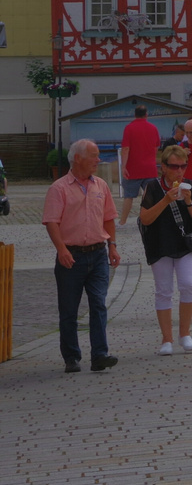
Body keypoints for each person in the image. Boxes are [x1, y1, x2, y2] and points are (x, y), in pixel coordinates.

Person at [42, 139, 121, 372]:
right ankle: (71, 357)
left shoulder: (101, 186)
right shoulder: (59, 188)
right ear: (78, 158)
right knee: (69, 310)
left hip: (97, 254)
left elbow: (109, 217)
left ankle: (99, 355)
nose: (98, 160)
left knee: (98, 304)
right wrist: (61, 249)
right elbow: (51, 222)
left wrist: (112, 246)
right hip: (71, 257)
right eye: (94, 156)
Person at [138, 143, 192, 355]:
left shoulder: (190, 186)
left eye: (182, 166)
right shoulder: (153, 186)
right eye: (174, 166)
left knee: (188, 285)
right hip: (160, 244)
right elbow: (145, 218)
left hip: (185, 244)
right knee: (164, 290)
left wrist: (188, 203)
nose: (178, 171)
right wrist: (167, 199)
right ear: (164, 167)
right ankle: (166, 339)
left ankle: (185, 334)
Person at [118, 104, 161, 226]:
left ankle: (123, 221)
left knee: (128, 196)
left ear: (135, 114)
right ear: (146, 115)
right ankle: (150, 219)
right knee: (149, 196)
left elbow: (126, 148)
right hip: (149, 168)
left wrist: (123, 166)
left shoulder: (129, 128)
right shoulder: (153, 128)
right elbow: (156, 148)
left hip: (133, 168)